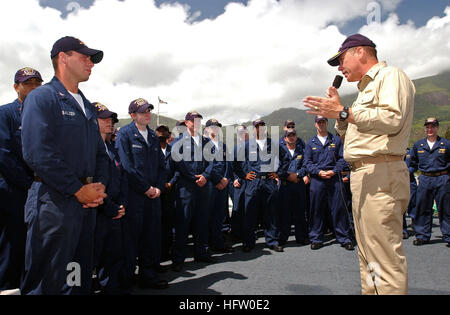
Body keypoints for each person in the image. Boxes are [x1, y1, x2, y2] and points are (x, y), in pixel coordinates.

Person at [303, 33, 415, 294]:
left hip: (380, 172)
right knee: (368, 256)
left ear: (360, 53)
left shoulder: (390, 77)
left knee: (384, 259)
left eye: (341, 60)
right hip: (364, 174)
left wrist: (344, 112)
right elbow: (349, 134)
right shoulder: (363, 91)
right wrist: (341, 112)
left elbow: (392, 119)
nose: (340, 68)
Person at [20, 36, 109, 295]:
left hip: (86, 205)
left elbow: (100, 154)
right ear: (62, 58)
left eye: (91, 59)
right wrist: (77, 189)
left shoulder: (87, 107)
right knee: (47, 282)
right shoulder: (43, 98)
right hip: (54, 203)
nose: (90, 63)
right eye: (84, 57)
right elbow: (38, 153)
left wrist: (97, 188)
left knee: (76, 278)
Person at [115, 98, 168, 290]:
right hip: (134, 196)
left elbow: (163, 167)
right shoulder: (125, 135)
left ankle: (149, 277)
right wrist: (146, 188)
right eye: (143, 111)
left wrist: (159, 188)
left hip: (154, 197)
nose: (148, 114)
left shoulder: (153, 137)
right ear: (132, 115)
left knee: (151, 238)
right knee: (130, 241)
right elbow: (127, 167)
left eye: (149, 111)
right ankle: (126, 281)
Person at [0, 67, 43, 294]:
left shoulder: (46, 116)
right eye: (28, 83)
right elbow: (4, 155)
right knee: (12, 242)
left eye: (37, 83)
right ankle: (8, 287)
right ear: (16, 87)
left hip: (42, 190)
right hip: (14, 190)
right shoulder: (5, 113)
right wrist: (29, 184)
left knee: (35, 243)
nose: (34, 87)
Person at [170, 111, 223, 272]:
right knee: (183, 223)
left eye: (199, 120)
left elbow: (212, 161)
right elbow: (178, 163)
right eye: (194, 121)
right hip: (186, 186)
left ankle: (201, 252)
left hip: (203, 186)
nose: (197, 123)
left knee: (202, 221)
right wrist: (195, 177)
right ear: (187, 123)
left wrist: (206, 176)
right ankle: (178, 259)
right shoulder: (178, 142)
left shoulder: (206, 142)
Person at [92, 102, 128, 295]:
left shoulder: (111, 148)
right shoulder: (87, 147)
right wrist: (109, 207)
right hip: (96, 211)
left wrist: (120, 204)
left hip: (114, 210)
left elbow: (121, 178)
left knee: (113, 256)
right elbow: (89, 182)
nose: (110, 122)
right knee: (89, 259)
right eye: (104, 118)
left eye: (112, 119)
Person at [233, 119, 283, 253]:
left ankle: (272, 241)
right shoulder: (247, 145)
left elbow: (285, 159)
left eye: (262, 126)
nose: (259, 129)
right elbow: (236, 163)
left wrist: (278, 173)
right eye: (257, 127)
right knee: (250, 213)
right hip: (253, 183)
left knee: (270, 213)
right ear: (253, 130)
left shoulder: (273, 144)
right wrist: (243, 176)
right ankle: (248, 242)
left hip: (269, 182)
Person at [304, 116, 353, 251]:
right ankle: (316, 238)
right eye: (319, 122)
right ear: (315, 124)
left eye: (323, 122)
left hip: (334, 179)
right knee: (316, 210)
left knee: (339, 209)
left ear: (327, 123)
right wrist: (318, 172)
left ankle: (344, 238)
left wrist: (333, 171)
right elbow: (307, 163)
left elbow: (343, 159)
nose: (321, 124)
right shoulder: (310, 143)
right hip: (318, 180)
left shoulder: (336, 140)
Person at [409, 118, 450, 247]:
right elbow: (413, 163)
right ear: (425, 129)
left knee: (445, 208)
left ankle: (448, 235)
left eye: (433, 127)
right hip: (425, 179)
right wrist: (406, 173)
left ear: (437, 128)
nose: (430, 129)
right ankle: (422, 236)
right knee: (423, 208)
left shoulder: (446, 144)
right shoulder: (418, 145)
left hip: (442, 178)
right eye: (427, 127)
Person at [205, 118, 234, 253]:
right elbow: (207, 166)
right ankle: (206, 245)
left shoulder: (223, 145)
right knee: (207, 214)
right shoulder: (204, 144)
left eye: (217, 127)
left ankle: (218, 242)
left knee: (219, 215)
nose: (215, 129)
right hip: (211, 184)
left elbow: (228, 163)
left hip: (223, 184)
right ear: (207, 129)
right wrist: (218, 181)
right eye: (213, 127)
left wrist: (226, 179)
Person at [277, 128, 309, 245]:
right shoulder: (280, 152)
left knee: (300, 212)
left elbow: (306, 165)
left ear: (296, 137)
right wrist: (287, 176)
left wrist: (298, 175)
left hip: (298, 184)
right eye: (288, 135)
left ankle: (301, 237)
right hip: (284, 185)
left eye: (293, 135)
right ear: (285, 138)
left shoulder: (302, 151)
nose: (291, 137)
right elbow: (277, 167)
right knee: (284, 212)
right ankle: (282, 238)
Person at [155, 124, 178, 262]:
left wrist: (171, 183)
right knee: (156, 223)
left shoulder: (173, 151)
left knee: (169, 222)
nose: (162, 134)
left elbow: (178, 170)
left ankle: (167, 251)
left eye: (165, 131)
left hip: (169, 191)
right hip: (156, 192)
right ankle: (157, 253)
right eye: (160, 131)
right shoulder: (151, 150)